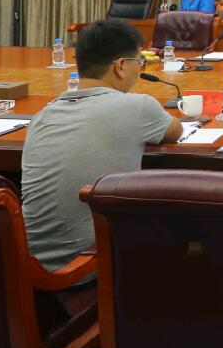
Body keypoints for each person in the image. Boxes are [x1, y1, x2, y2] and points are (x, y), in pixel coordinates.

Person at [21, 20, 182, 270]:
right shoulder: (138, 106)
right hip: (88, 266)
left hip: (26, 266)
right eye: (139, 62)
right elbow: (175, 131)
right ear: (120, 66)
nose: (140, 68)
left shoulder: (42, 116)